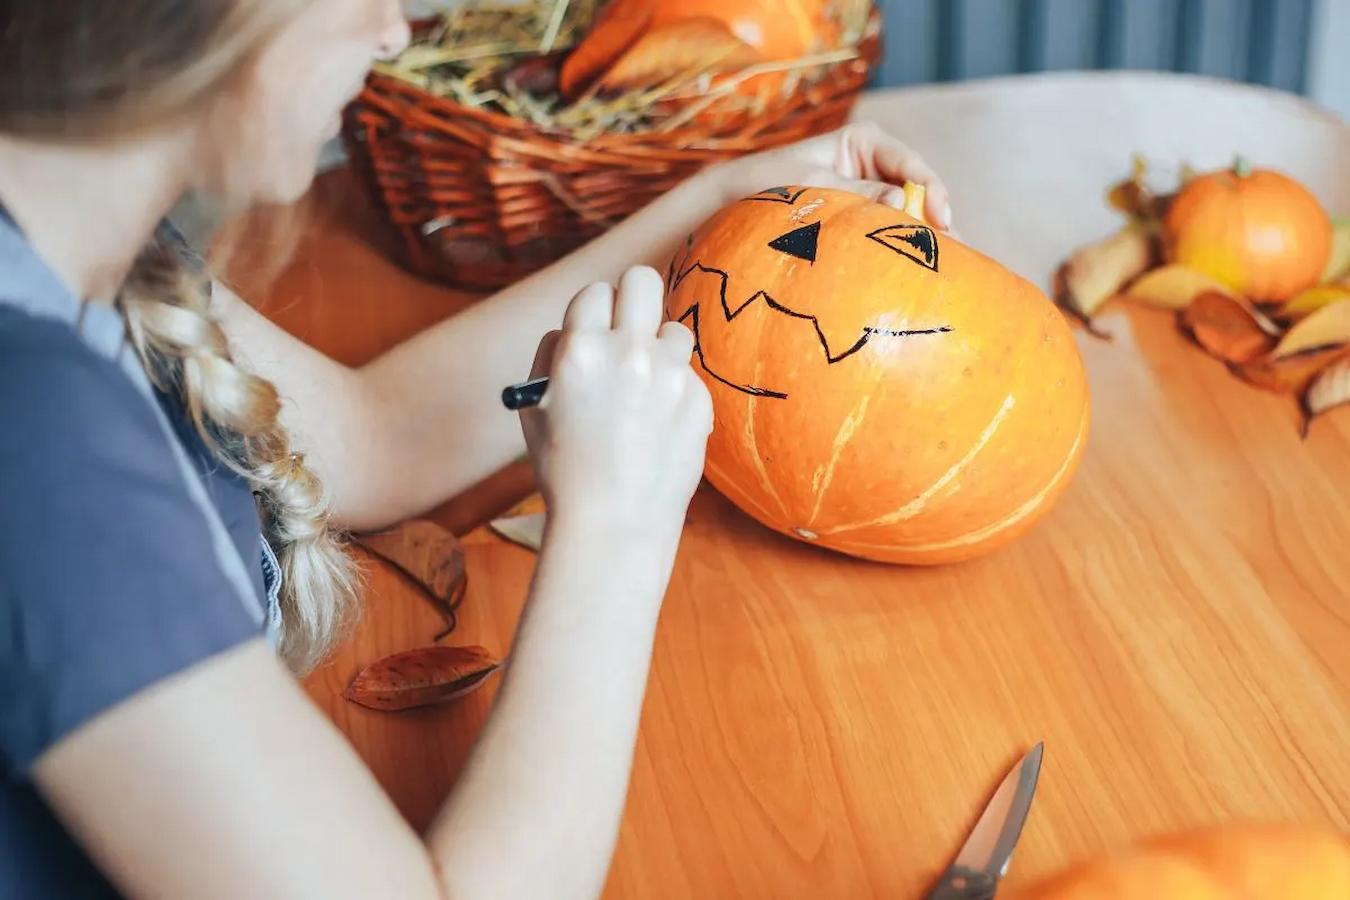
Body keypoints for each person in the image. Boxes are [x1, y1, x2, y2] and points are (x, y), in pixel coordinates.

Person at [0, 1, 951, 897]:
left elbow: (377, 436)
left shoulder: (74, 238)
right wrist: (615, 527)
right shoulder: (39, 439)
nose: (394, 33)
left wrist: (721, 204)